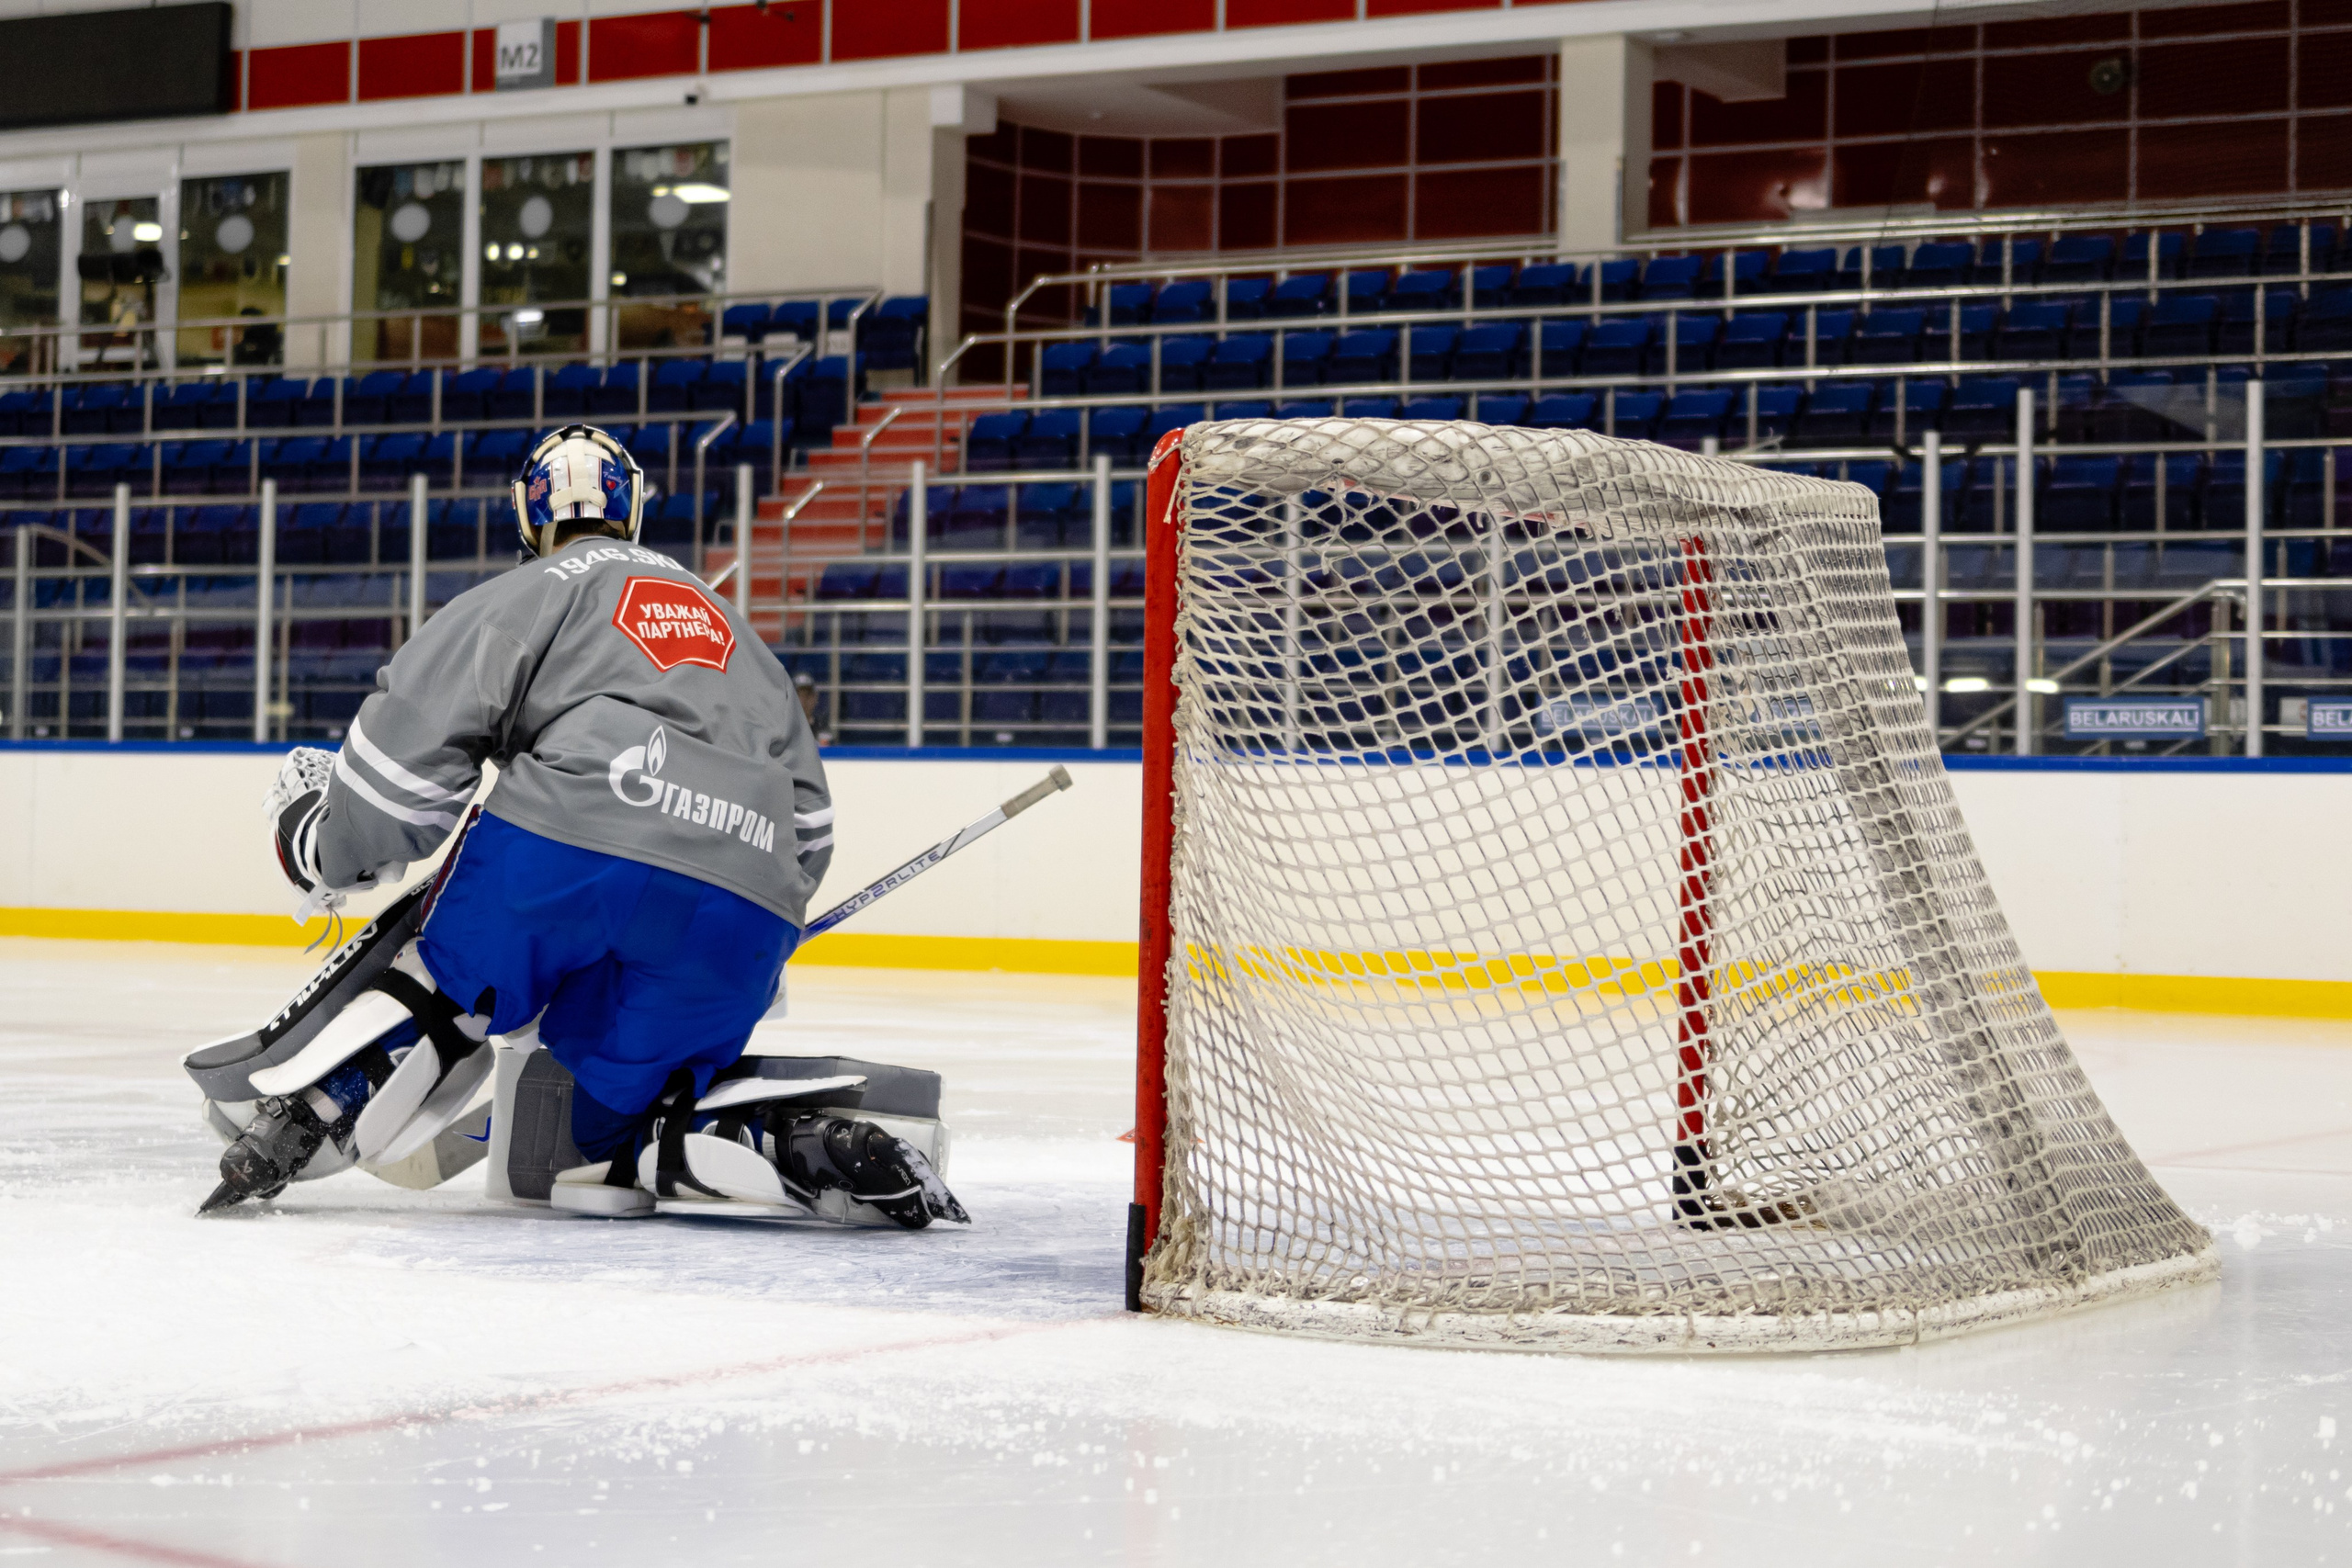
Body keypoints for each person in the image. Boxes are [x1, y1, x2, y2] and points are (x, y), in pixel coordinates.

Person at [184, 424, 965, 1229]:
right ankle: (780, 1143)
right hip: (743, 902)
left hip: (571, 849)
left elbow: (400, 787)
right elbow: (808, 832)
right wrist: (738, 909)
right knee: (611, 1125)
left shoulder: (524, 595)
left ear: (528, 513)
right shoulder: (741, 633)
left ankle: (313, 1109)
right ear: (631, 509)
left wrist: (321, 842)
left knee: (459, 977)